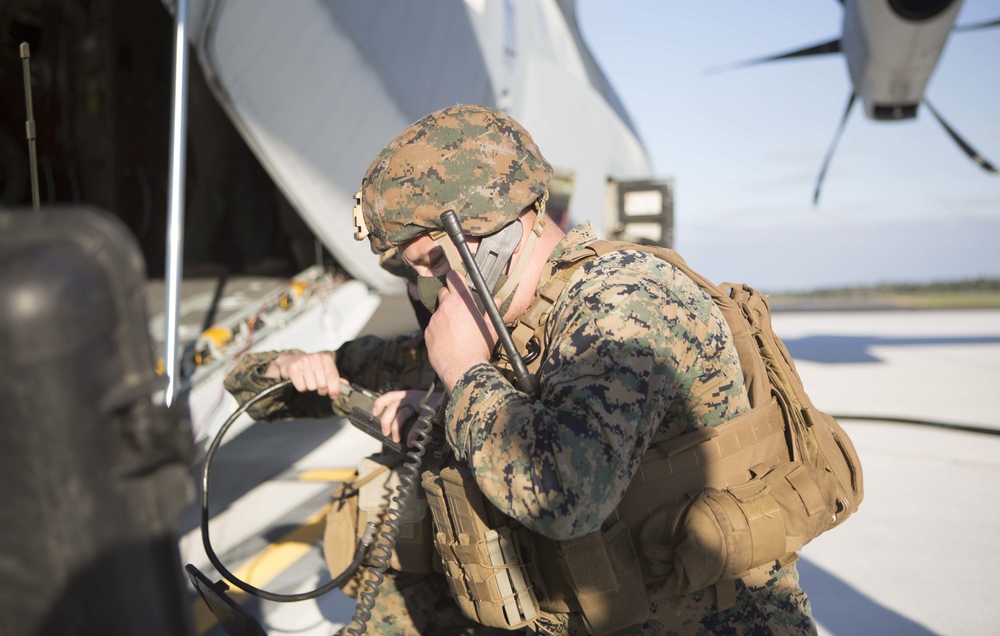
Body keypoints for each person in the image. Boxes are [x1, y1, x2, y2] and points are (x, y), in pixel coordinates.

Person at [224, 104, 817, 635]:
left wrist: (462, 382)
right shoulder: (504, 327)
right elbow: (261, 385)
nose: (432, 288)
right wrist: (295, 367)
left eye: (434, 261)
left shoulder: (623, 300)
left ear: (489, 230)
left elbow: (566, 495)